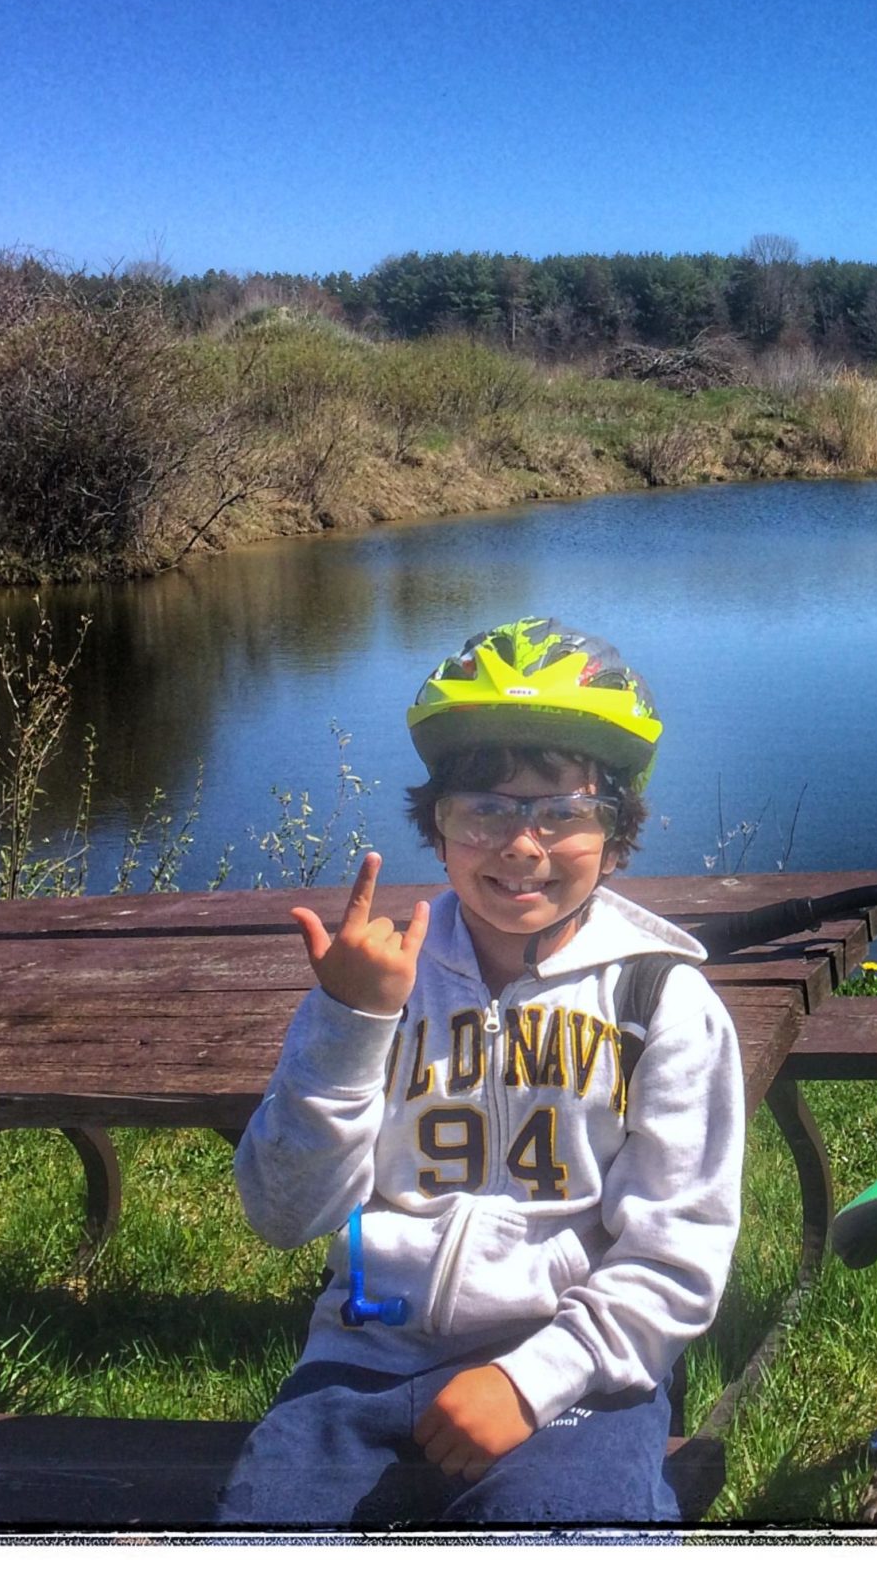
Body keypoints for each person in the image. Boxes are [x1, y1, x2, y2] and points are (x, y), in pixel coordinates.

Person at [215, 617, 744, 1528]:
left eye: (563, 812)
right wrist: (351, 1023)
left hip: (574, 1364)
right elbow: (282, 1212)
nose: (521, 844)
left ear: (616, 833)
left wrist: (531, 1379)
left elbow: (679, 1253)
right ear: (439, 825)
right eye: (485, 809)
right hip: (363, 1361)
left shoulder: (663, 1002)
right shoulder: (384, 978)